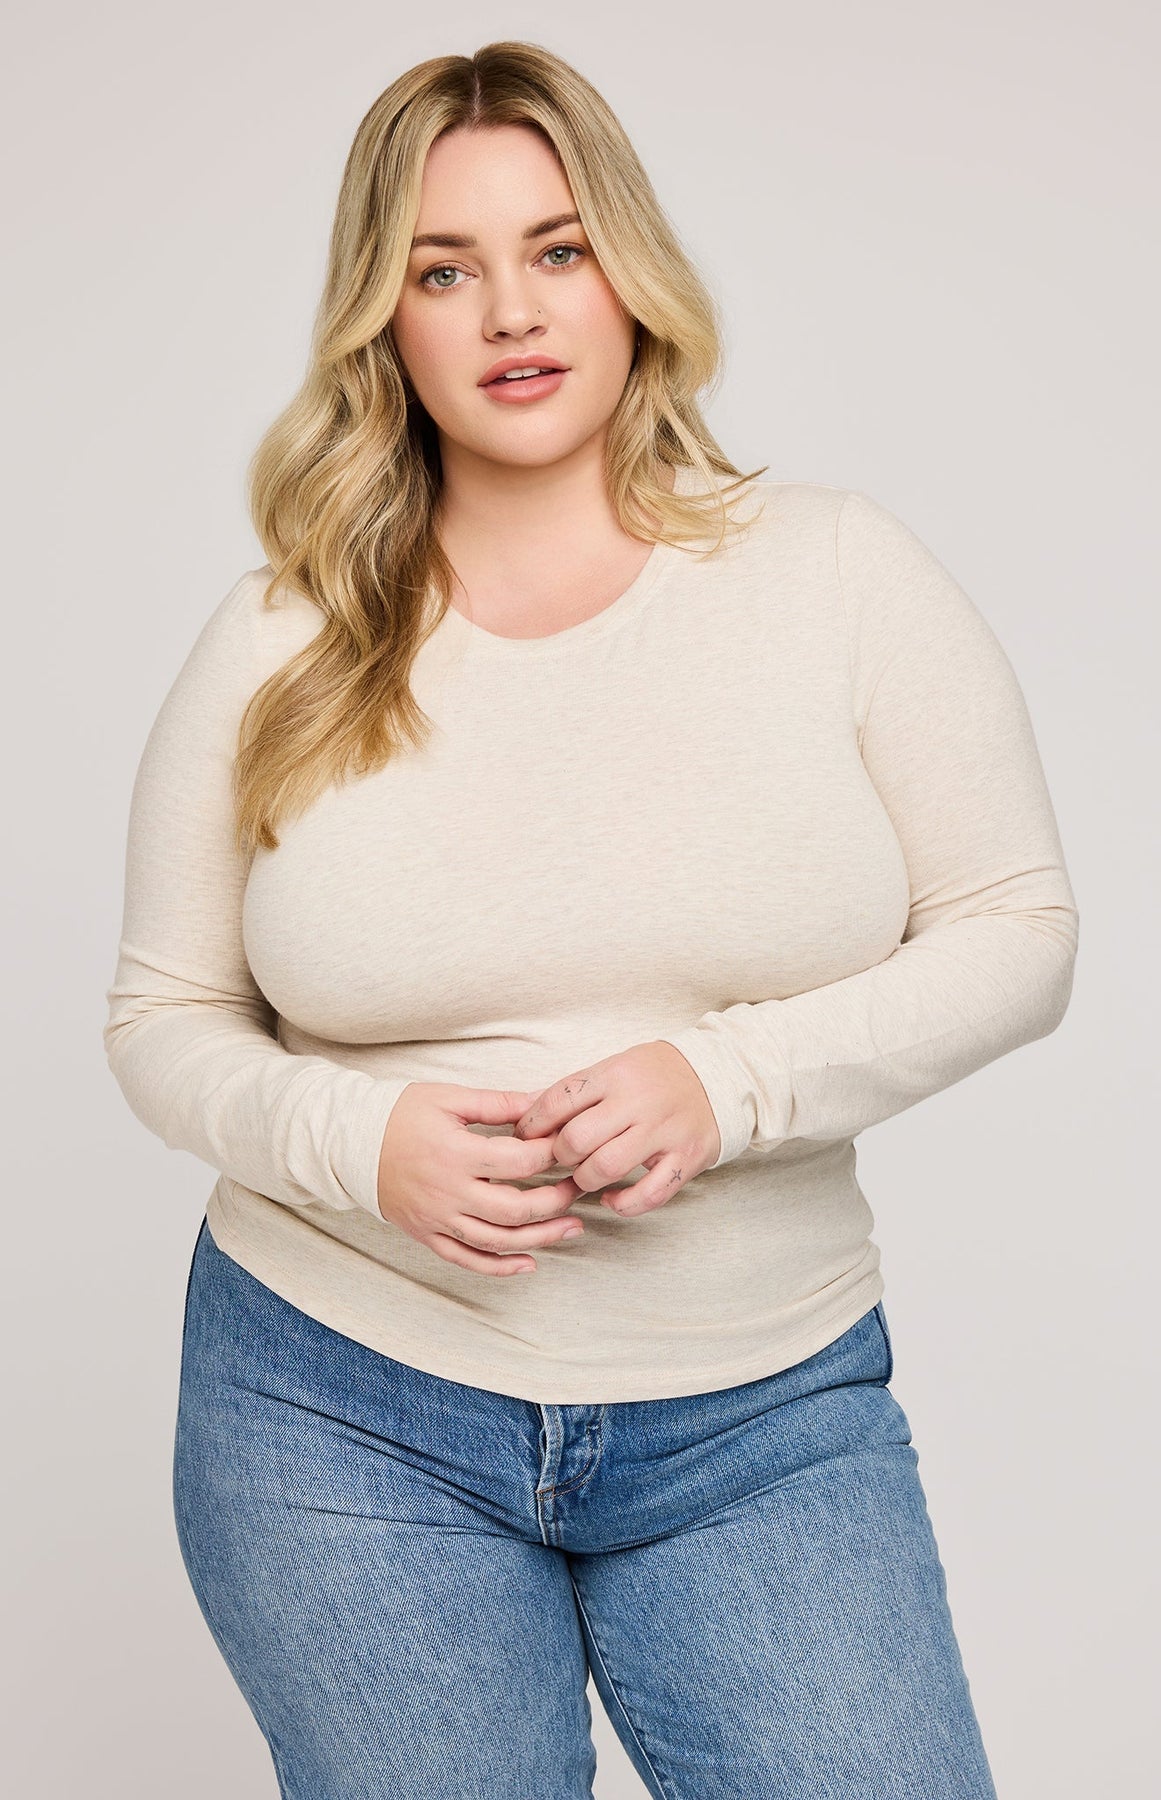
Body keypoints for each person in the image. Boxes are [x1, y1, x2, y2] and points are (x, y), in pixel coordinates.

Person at [103, 39, 1078, 1800]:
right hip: (337, 1408)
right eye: (442, 269)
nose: (510, 312)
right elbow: (161, 1018)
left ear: (629, 271)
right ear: (382, 321)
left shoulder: (835, 573)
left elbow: (1016, 928)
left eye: (555, 249)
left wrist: (730, 1084)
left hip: (761, 1411)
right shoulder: (278, 637)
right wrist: (358, 1143)